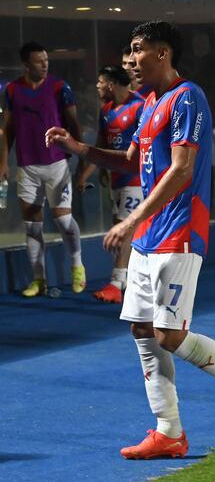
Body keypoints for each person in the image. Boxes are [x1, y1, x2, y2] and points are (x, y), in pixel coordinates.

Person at [45, 20, 215, 458]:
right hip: (150, 237)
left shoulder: (187, 97)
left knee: (169, 335)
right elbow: (130, 160)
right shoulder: (151, 103)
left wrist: (131, 219)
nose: (130, 59)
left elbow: (182, 170)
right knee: (141, 330)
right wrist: (77, 148)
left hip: (180, 231)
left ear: (163, 52)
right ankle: (169, 430)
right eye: (129, 51)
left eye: (138, 49)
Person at [0, 42, 87, 297]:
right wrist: (3, 162)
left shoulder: (61, 88)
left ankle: (77, 264)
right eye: (39, 61)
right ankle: (39, 280)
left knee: (63, 220)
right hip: (27, 168)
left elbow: (73, 122)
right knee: (33, 227)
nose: (45, 65)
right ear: (26, 65)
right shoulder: (13, 90)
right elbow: (9, 130)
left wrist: (82, 154)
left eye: (47, 60)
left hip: (57, 164)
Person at [77, 65, 146, 304]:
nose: (96, 86)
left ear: (110, 84)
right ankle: (129, 278)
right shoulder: (106, 111)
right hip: (116, 181)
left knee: (123, 228)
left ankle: (117, 282)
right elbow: (99, 147)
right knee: (123, 228)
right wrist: (85, 175)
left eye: (99, 81)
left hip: (136, 179)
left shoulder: (140, 106)